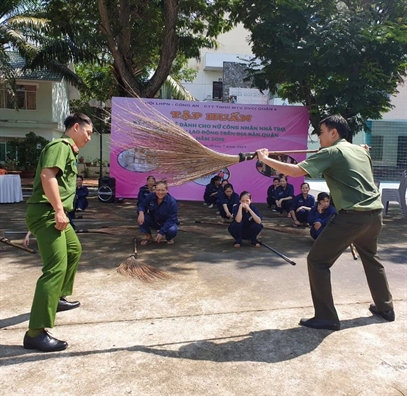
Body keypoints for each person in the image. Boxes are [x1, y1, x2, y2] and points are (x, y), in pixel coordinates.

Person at [256, 114, 394, 331]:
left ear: (333, 133)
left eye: (320, 132)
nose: (318, 136)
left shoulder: (331, 152)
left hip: (352, 217)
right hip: (375, 214)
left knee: (317, 261)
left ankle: (326, 317)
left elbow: (293, 171)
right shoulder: (361, 150)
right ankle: (386, 308)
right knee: (371, 258)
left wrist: (264, 159)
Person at [24, 113, 93, 352]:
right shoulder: (60, 146)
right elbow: (47, 176)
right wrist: (58, 210)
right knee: (55, 269)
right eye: (88, 132)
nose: (90, 137)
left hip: (53, 213)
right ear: (75, 127)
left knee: (74, 249)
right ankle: (35, 333)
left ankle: (59, 297)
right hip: (47, 214)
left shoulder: (69, 150)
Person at [138, 180, 179, 245]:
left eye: (162, 190)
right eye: (158, 190)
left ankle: (169, 238)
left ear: (167, 190)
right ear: (155, 190)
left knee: (172, 230)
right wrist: (141, 213)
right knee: (142, 218)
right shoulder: (151, 196)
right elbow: (142, 205)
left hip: (167, 223)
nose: (160, 192)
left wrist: (161, 232)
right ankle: (149, 237)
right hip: (154, 220)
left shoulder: (172, 202)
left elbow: (171, 219)